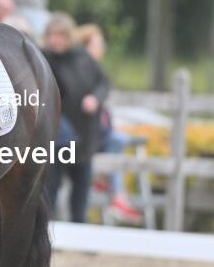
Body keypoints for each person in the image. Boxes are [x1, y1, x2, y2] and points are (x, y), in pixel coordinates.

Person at [43, 13, 109, 223]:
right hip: (55, 137)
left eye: (60, 35)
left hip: (84, 133)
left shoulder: (83, 58)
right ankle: (48, 229)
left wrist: (95, 98)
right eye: (52, 35)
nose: (55, 40)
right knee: (50, 186)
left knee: (81, 186)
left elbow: (103, 83)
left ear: (69, 36)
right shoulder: (42, 59)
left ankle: (80, 228)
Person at [76, 24, 143, 224]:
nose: (101, 49)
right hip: (84, 136)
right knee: (117, 139)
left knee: (118, 138)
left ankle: (106, 183)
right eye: (97, 45)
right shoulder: (81, 71)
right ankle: (116, 195)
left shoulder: (96, 71)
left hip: (97, 133)